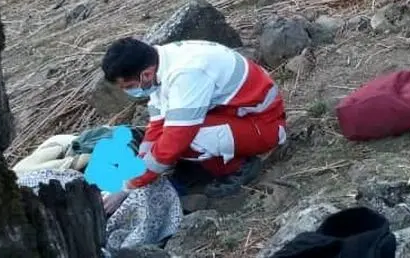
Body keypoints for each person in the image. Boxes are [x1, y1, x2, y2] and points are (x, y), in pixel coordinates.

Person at [98, 37, 287, 207]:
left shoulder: (186, 73)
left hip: (264, 124)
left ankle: (238, 166)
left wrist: (127, 187)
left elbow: (175, 140)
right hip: (238, 113)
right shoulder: (159, 65)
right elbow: (156, 126)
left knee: (187, 141)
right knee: (169, 140)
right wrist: (133, 172)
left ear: (145, 75)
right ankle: (215, 159)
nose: (129, 92)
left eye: (129, 87)